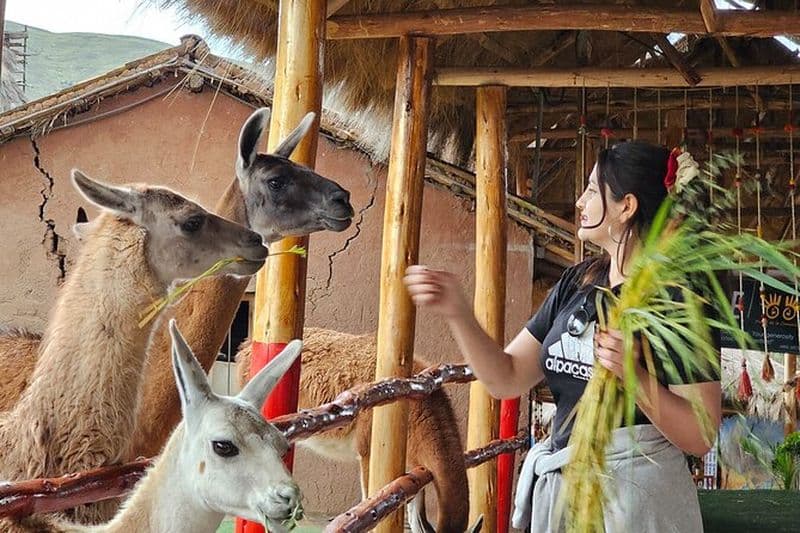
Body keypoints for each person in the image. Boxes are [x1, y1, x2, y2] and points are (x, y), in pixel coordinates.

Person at [403, 141, 721, 533]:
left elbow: (702, 435)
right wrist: (458, 310)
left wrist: (635, 377)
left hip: (638, 504)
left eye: (591, 190)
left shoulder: (678, 302)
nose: (579, 202)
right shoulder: (578, 283)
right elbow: (506, 377)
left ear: (627, 206)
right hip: (566, 493)